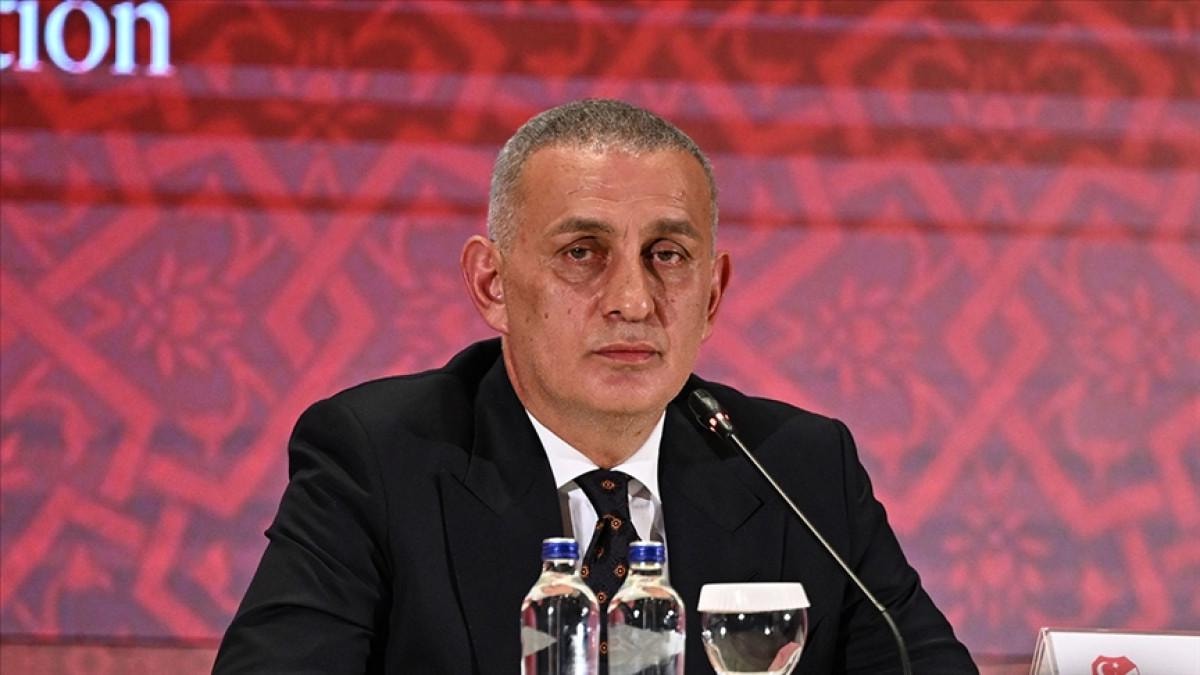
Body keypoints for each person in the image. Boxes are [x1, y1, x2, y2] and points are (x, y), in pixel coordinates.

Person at [214, 99, 977, 674]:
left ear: (712, 294)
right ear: (491, 283)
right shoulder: (378, 459)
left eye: (667, 254)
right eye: (582, 251)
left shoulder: (800, 470)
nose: (634, 301)